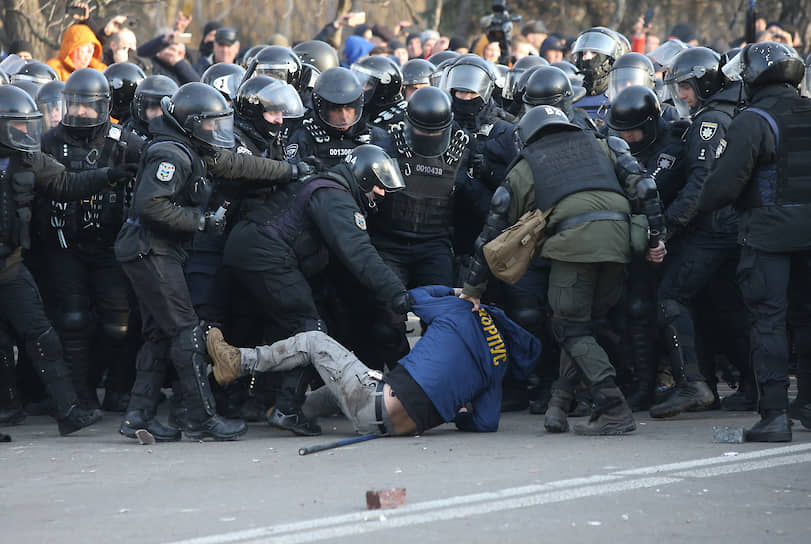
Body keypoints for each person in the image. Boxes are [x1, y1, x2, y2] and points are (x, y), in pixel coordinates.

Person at [461, 106, 667, 435]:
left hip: (574, 244)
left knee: (569, 329)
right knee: (585, 325)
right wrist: (656, 238)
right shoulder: (604, 143)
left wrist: (472, 289)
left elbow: (492, 230)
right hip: (620, 242)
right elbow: (646, 189)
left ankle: (613, 406)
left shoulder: (527, 163)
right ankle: (559, 402)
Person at [115, 82, 298, 442]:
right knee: (187, 332)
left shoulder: (193, 147)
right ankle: (200, 419)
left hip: (153, 250)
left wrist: (288, 171)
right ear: (192, 123)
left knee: (158, 333)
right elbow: (150, 206)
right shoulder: (172, 154)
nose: (218, 132)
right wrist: (200, 222)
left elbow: (236, 164)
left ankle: (138, 416)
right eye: (212, 125)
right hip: (150, 249)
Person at [222, 145, 410, 434]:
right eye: (378, 185)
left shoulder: (325, 187)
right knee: (310, 329)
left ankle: (245, 398)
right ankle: (287, 408)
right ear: (360, 177)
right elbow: (359, 253)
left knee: (286, 324)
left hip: (250, 248)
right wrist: (398, 294)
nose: (381, 194)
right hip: (265, 253)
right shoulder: (336, 198)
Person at [206, 285, 542, 435]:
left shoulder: (461, 311)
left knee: (314, 340)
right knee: (344, 385)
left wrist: (457, 292)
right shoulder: (498, 364)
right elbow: (487, 424)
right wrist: (459, 415)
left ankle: (239, 362)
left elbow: (413, 298)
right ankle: (288, 412)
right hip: (395, 425)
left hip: (376, 401)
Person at [0, 85, 133, 436]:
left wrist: (106, 176)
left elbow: (65, 183)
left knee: (44, 335)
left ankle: (69, 411)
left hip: (10, 266)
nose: (26, 132)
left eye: (27, 125)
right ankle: (8, 408)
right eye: (17, 126)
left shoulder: (29, 158)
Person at [698, 42, 811, 440]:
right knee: (807, 321)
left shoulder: (752, 120)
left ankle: (775, 416)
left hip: (767, 237)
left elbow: (722, 187)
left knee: (768, 323)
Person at [36, 68, 144, 412]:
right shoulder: (48, 142)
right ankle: (81, 396)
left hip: (110, 247)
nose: (81, 112)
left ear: (105, 106)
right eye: (75, 105)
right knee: (72, 321)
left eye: (88, 106)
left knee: (119, 323)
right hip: (63, 247)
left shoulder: (125, 143)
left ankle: (115, 387)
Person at [650, 47, 744, 419]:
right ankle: (749, 386)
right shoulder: (715, 115)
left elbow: (700, 183)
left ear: (704, 81)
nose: (683, 96)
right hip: (728, 225)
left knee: (669, 297)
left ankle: (693, 383)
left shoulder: (711, 122)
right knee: (723, 307)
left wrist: (668, 228)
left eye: (686, 87)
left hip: (713, 227)